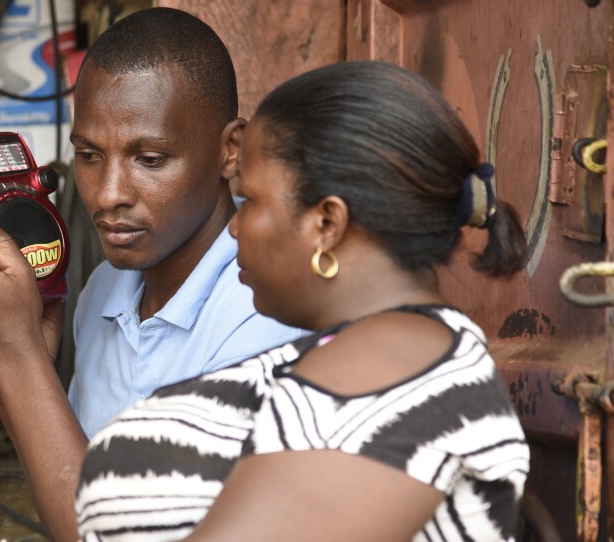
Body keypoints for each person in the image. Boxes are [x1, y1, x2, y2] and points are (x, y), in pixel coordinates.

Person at [74, 60, 530, 541]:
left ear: (326, 225)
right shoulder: (389, 352)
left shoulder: (393, 375)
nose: (234, 226)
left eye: (251, 202)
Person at [0, 7, 307, 541]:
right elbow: (65, 489)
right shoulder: (104, 291)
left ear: (229, 150)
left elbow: (104, 531)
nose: (108, 193)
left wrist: (15, 357)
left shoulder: (268, 316)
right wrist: (6, 372)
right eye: (89, 155)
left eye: (150, 158)